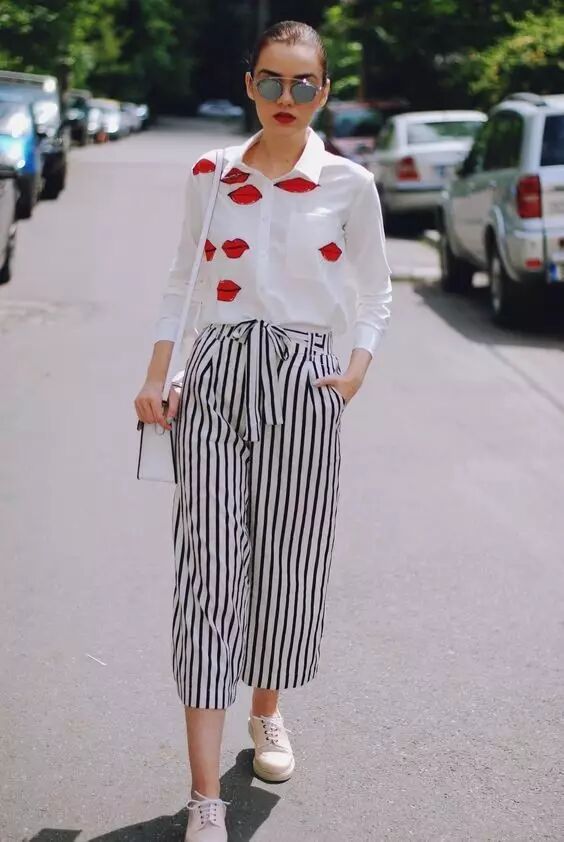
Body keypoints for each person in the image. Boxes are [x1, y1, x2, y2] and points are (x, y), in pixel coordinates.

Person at [134, 19, 392, 842]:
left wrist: (357, 368)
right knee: (208, 575)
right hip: (215, 377)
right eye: (272, 81)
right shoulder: (211, 173)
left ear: (324, 90)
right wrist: (157, 373)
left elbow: (377, 291)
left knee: (287, 559)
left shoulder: (349, 183)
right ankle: (205, 795)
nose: (288, 97)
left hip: (305, 379)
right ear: (250, 84)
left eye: (303, 83)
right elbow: (183, 278)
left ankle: (267, 710)